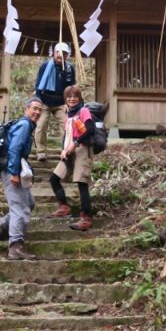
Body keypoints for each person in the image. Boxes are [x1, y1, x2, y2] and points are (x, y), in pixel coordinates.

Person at [0, 97, 44, 260]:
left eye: (40, 110)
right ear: (26, 109)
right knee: (20, 209)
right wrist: (13, 172)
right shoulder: (25, 124)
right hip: (11, 170)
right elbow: (14, 149)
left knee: (29, 203)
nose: (37, 112)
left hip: (15, 169)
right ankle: (15, 246)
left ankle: (0, 227)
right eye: (34, 108)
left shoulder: (27, 125)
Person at [49, 85, 95, 231]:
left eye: (75, 96)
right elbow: (67, 134)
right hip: (69, 150)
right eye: (69, 97)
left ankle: (86, 218)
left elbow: (90, 130)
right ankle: (64, 206)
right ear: (65, 99)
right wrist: (64, 150)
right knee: (54, 178)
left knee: (81, 183)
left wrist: (75, 144)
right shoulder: (69, 114)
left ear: (79, 98)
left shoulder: (83, 110)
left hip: (82, 148)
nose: (72, 99)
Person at [33, 41, 76, 161]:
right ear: (53, 53)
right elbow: (38, 85)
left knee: (67, 127)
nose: (60, 55)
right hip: (45, 100)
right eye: (58, 52)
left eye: (64, 53)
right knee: (41, 126)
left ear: (67, 55)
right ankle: (41, 151)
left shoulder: (69, 68)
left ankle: (66, 150)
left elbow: (71, 87)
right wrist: (38, 101)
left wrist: (69, 103)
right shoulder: (45, 66)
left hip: (62, 102)